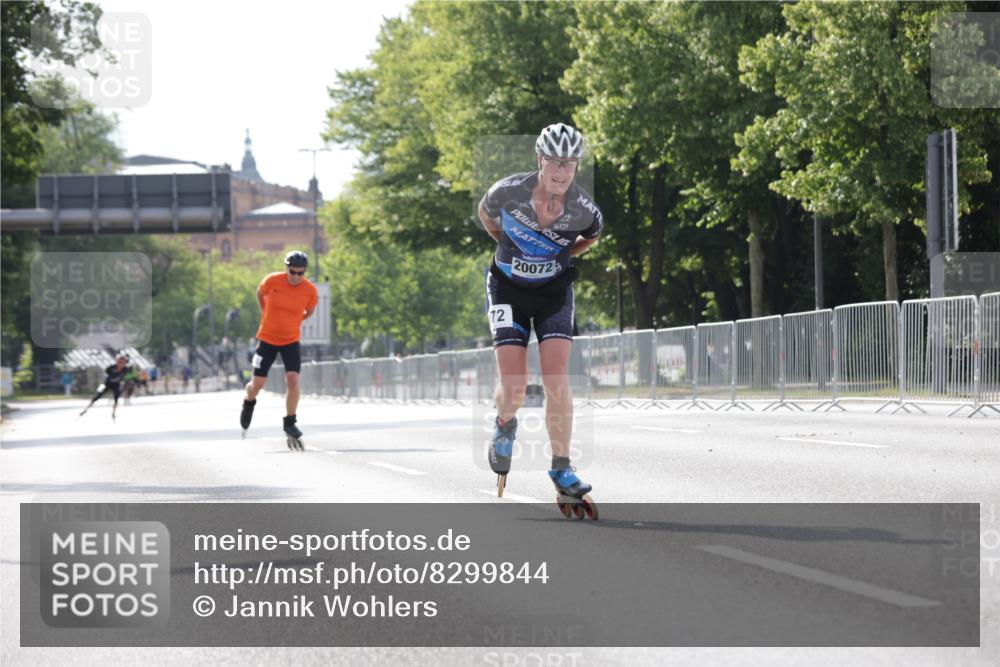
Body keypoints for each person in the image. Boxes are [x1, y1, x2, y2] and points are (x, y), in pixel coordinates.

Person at [478, 123, 603, 505]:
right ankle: (504, 424)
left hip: (553, 292)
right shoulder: (507, 192)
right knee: (515, 385)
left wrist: (561, 256)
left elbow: (592, 237)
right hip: (507, 289)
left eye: (569, 164)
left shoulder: (584, 209)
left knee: (556, 376)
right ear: (540, 159)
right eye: (554, 162)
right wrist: (509, 247)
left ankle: (562, 465)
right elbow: (486, 215)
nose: (561, 172)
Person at [240, 250, 318, 444]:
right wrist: (265, 311)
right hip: (267, 339)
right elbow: (260, 293)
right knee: (257, 385)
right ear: (287, 268)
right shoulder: (272, 281)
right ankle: (249, 401)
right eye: (293, 272)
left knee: (292, 380)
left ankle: (290, 421)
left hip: (291, 340)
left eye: (301, 273)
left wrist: (295, 320)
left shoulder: (309, 290)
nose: (296, 277)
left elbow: (309, 311)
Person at [79, 354, 131, 420]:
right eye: (120, 362)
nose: (121, 364)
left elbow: (124, 378)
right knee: (97, 396)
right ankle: (85, 409)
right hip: (107, 384)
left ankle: (113, 413)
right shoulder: (111, 367)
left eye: (123, 362)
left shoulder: (125, 369)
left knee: (116, 398)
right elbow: (106, 374)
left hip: (116, 385)